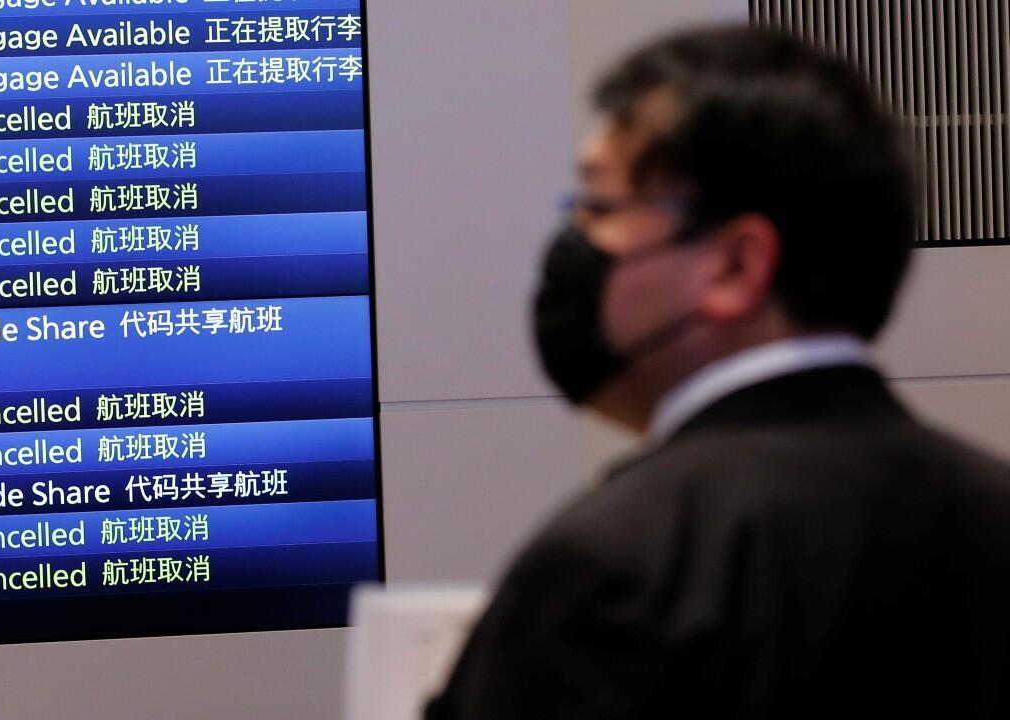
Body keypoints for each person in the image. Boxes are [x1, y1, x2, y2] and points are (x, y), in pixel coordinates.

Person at [426, 24, 1010, 719]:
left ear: (736, 265)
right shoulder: (993, 515)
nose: (575, 243)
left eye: (602, 209)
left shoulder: (619, 563)